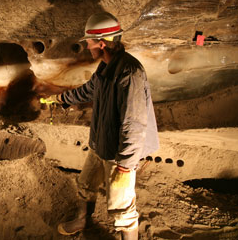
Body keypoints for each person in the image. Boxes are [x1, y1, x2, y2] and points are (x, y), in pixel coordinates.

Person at [50, 12, 159, 240]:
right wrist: (63, 99)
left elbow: (134, 124)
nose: (88, 47)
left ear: (101, 43)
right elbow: (89, 90)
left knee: (122, 208)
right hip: (99, 143)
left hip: (119, 154)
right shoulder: (105, 67)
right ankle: (82, 220)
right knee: (86, 184)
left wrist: (125, 166)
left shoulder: (130, 73)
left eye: (89, 42)